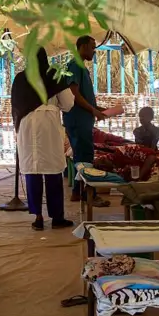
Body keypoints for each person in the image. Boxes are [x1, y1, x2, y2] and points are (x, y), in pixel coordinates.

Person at [12, 47, 76, 230]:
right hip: (48, 125)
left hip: (27, 127)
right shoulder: (54, 76)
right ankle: (57, 218)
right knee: (53, 170)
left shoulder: (20, 79)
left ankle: (38, 218)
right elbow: (69, 103)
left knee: (33, 171)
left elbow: (15, 107)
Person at [63, 35, 110, 207]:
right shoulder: (75, 65)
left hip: (81, 119)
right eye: (92, 47)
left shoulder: (80, 67)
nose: (94, 51)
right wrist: (93, 110)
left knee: (81, 156)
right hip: (78, 119)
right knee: (86, 157)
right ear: (82, 47)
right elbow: (74, 94)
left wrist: (98, 108)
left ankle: (78, 191)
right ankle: (89, 194)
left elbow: (83, 95)